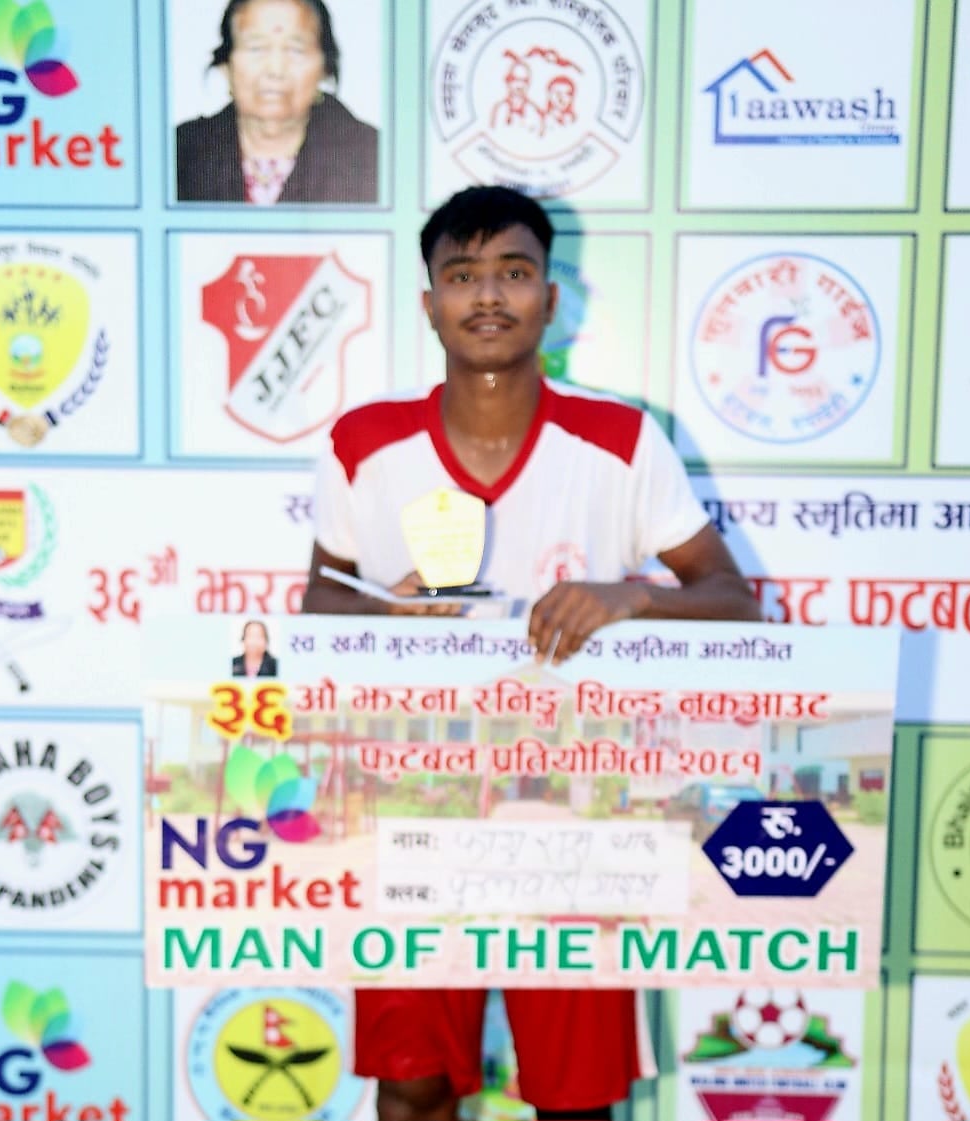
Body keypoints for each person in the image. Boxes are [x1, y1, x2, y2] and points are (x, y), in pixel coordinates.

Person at [302, 186, 761, 1121]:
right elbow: (320, 600)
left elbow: (733, 601)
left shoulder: (619, 439)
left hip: (577, 814)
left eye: (513, 272)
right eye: (462, 275)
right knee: (413, 1081)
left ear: (551, 299)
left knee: (574, 1097)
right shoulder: (365, 442)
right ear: (428, 302)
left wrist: (632, 596)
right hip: (411, 798)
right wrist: (390, 618)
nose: (487, 295)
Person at [176, 0, 377, 204]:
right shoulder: (180, 152)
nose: (276, 70)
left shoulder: (374, 156)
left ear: (324, 68)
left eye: (296, 50)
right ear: (226, 65)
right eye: (256, 48)